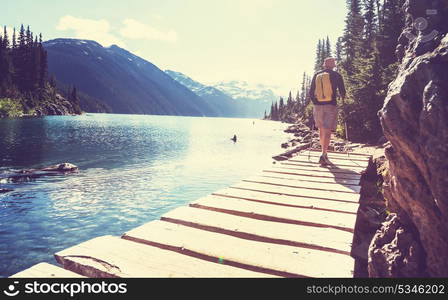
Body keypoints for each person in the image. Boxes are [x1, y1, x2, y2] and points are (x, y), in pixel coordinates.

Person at [309, 57, 346, 166]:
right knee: (328, 130)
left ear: (324, 65)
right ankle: (324, 154)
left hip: (318, 106)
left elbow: (311, 92)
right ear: (333, 65)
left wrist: (315, 102)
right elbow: (342, 92)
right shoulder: (337, 75)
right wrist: (342, 99)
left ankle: (323, 153)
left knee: (321, 129)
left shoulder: (317, 74)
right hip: (331, 105)